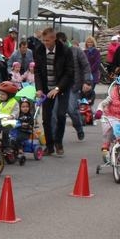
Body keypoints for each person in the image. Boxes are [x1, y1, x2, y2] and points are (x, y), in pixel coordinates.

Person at [33, 27, 73, 156]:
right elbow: (37, 71)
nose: (45, 43)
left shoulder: (65, 50)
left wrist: (58, 88)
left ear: (54, 39)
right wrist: (39, 88)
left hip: (62, 87)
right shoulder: (39, 50)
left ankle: (58, 143)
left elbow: (69, 72)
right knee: (46, 118)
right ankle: (49, 146)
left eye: (48, 41)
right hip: (46, 88)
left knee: (61, 115)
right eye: (43, 40)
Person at [57, 31, 88, 141]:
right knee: (55, 112)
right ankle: (55, 137)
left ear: (64, 41)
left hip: (73, 85)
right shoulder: (54, 52)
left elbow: (86, 66)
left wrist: (87, 82)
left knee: (71, 110)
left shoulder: (76, 51)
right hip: (58, 85)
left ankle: (79, 128)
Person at [83, 36, 102, 101]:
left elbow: (97, 62)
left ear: (93, 43)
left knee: (91, 90)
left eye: (91, 42)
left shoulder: (96, 51)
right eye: (88, 42)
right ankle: (84, 104)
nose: (89, 43)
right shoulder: (84, 51)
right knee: (84, 91)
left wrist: (90, 70)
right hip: (85, 74)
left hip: (93, 74)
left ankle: (90, 103)